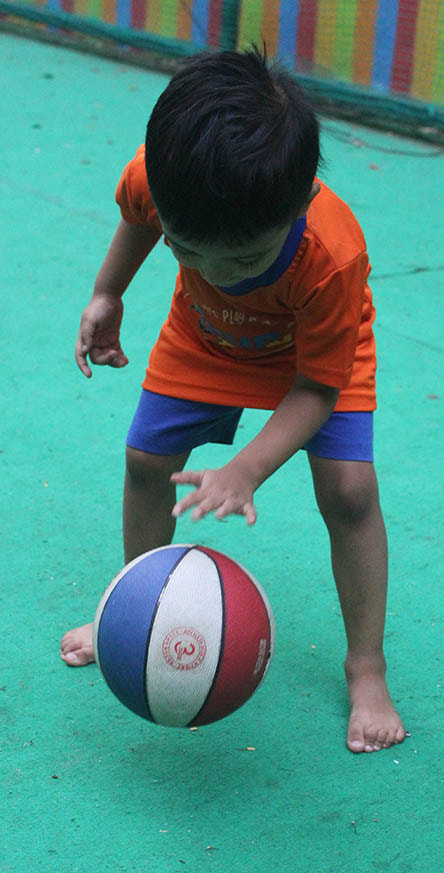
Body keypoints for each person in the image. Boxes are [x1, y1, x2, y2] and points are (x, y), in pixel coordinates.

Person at [60, 47, 406, 754]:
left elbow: (315, 389)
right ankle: (134, 610)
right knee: (144, 459)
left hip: (313, 355)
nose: (219, 271)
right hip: (205, 338)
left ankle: (366, 667)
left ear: (300, 197)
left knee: (349, 490)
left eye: (243, 259)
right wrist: (108, 292)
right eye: (193, 251)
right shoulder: (163, 179)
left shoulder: (331, 255)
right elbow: (138, 219)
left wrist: (246, 469)